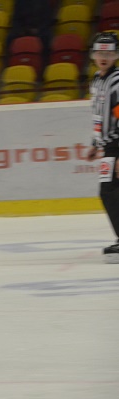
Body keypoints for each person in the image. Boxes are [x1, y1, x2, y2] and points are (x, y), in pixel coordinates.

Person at [87, 32, 119, 263]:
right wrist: (95, 142)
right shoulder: (96, 81)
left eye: (109, 53)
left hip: (116, 146)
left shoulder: (117, 81)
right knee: (110, 191)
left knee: (108, 191)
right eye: (100, 53)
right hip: (108, 146)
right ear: (93, 55)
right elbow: (99, 115)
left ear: (116, 55)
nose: (104, 57)